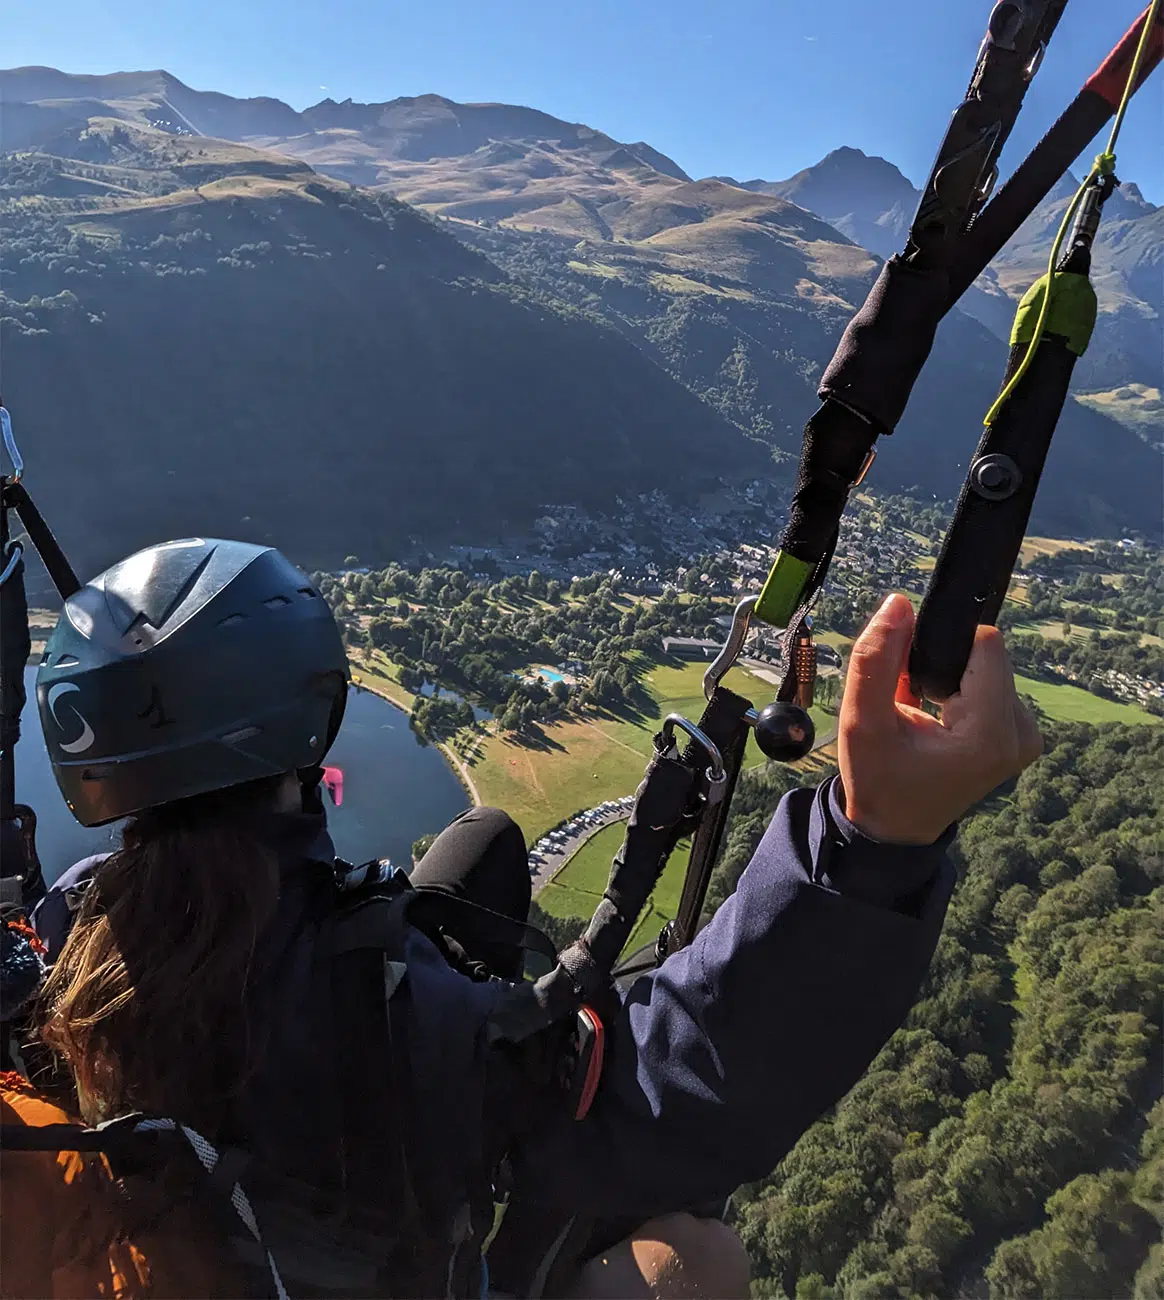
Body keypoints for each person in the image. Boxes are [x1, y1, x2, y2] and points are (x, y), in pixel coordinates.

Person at [7, 537, 1041, 1299]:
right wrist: (872, 843)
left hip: (172, 1253)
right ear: (313, 710)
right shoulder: (394, 1019)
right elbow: (678, 1087)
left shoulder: (61, 938)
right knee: (700, 1260)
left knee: (482, 851)